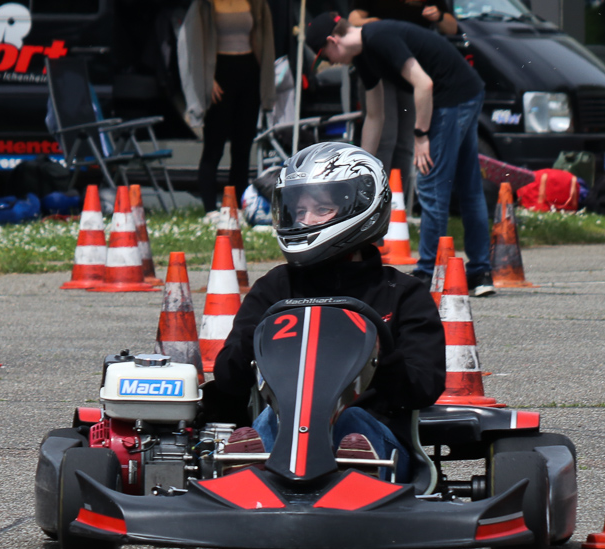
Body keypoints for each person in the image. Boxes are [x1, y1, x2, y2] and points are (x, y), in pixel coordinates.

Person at [204, 142, 445, 483]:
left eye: (321, 209)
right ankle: (250, 469)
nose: (305, 220)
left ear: (362, 206)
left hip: (378, 435)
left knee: (350, 422)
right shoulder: (275, 288)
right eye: (299, 210)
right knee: (272, 420)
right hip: (285, 430)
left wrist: (379, 353)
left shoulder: (402, 293)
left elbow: (424, 387)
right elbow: (229, 379)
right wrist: (252, 343)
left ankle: (357, 469)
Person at [306, 13, 496, 297]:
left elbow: (424, 84)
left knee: (431, 183)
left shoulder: (379, 38)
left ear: (333, 41)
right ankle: (480, 273)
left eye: (325, 56)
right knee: (468, 185)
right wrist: (360, 164)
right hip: (466, 90)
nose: (330, 63)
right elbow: (375, 116)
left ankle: (427, 272)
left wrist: (421, 136)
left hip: (452, 96)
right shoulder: (364, 57)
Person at [344, 1, 458, 209]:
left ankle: (397, 204)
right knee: (385, 137)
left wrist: (439, 16)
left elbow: (452, 27)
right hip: (380, 67)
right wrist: (374, 23)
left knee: (405, 142)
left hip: (411, 72)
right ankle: (374, 202)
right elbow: (353, 19)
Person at [178, 0, 276, 223]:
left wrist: (265, 83)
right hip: (219, 73)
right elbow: (192, 44)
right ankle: (210, 208)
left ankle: (236, 206)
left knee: (243, 146)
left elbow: (264, 40)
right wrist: (206, 80)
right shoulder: (204, 5)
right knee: (214, 146)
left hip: (248, 72)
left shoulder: (255, 3)